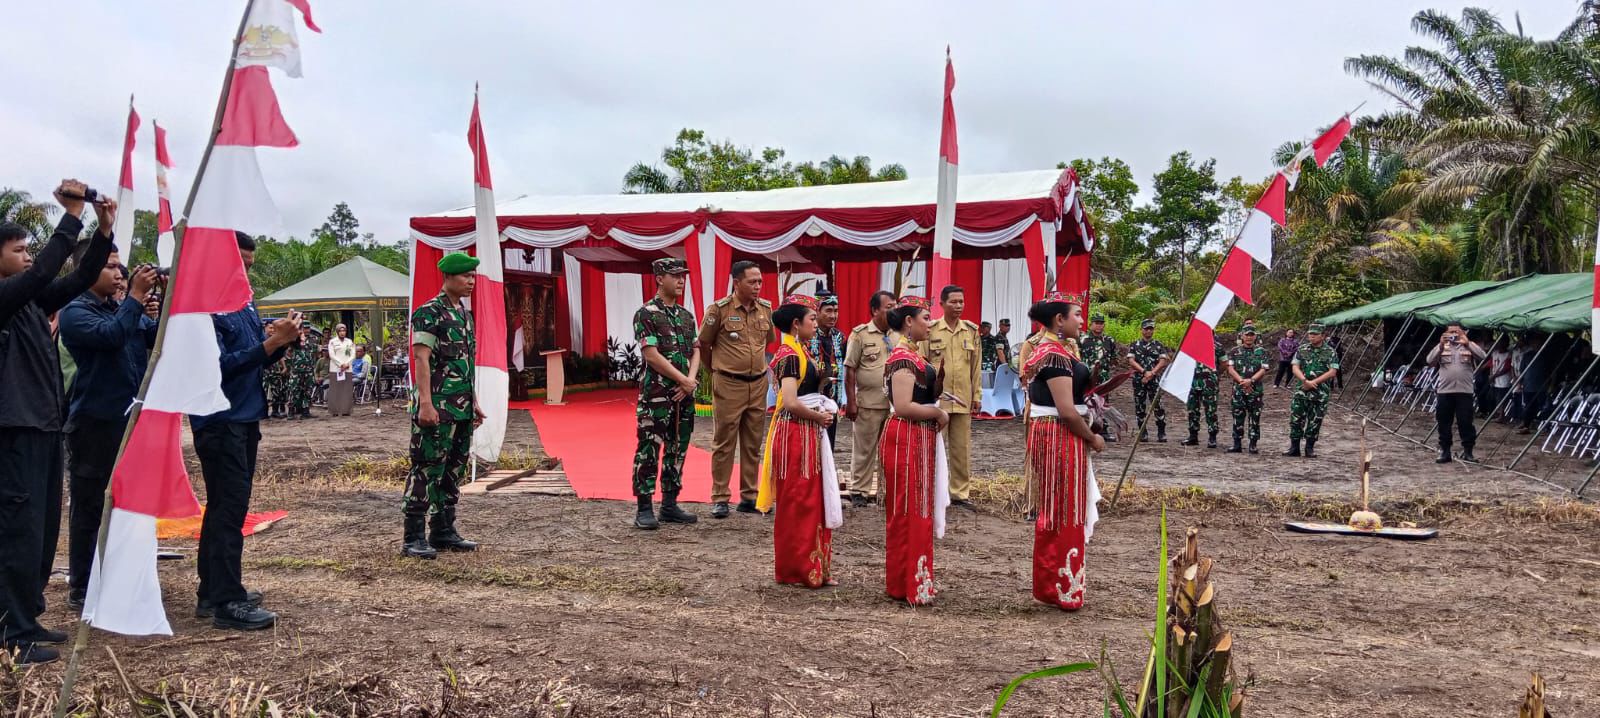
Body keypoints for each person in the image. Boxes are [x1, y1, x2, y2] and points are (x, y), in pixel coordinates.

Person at [0, 183, 116, 665]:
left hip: (44, 425)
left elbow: (74, 280)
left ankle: (27, 614)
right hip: (14, 431)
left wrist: (103, 230)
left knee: (43, 528)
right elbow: (45, 272)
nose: (29, 257)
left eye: (30, 249)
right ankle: (12, 631)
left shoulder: (29, 302)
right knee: (17, 529)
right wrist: (70, 218)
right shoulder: (6, 298)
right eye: (19, 249)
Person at [191, 232, 301, 630]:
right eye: (239, 263)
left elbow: (256, 360)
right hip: (219, 420)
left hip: (245, 416)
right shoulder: (200, 306)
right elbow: (216, 366)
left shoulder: (243, 303)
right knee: (227, 509)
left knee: (227, 508)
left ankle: (213, 590)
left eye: (250, 266)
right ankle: (226, 600)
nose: (245, 272)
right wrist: (271, 345)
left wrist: (282, 342)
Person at [59, 252, 161, 610]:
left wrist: (157, 299)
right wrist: (133, 298)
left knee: (125, 503)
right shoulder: (75, 312)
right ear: (85, 269)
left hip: (128, 421)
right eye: (109, 266)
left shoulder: (118, 308)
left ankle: (117, 574)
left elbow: (154, 337)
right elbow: (113, 337)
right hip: (95, 423)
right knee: (90, 505)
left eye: (120, 267)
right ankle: (83, 585)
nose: (119, 274)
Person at [1021, 292, 1105, 611]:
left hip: (1055, 433)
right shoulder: (1054, 355)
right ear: (1059, 320)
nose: (1082, 321)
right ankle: (1063, 588)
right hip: (1058, 434)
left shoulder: (1054, 349)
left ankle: (1050, 585)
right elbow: (1067, 411)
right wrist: (1092, 437)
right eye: (1077, 315)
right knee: (1065, 509)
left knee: (1056, 508)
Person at [404, 253, 486, 559]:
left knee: (453, 469)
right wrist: (425, 403)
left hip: (460, 407)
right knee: (427, 467)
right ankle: (413, 535)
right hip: (436, 406)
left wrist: (473, 401)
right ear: (448, 277)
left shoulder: (464, 315)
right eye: (466, 277)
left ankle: (443, 530)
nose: (471, 282)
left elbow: (465, 363)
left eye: (474, 277)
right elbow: (421, 358)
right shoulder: (429, 312)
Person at [757, 294, 841, 589]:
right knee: (798, 501)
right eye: (812, 319)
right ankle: (796, 569)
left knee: (812, 499)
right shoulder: (790, 355)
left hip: (806, 432)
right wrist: (817, 417)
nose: (816, 324)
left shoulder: (800, 350)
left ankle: (814, 567)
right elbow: (790, 402)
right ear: (796, 324)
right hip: (796, 432)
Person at [880, 296, 948, 605]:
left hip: (916, 437)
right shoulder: (902, 359)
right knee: (908, 509)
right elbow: (905, 406)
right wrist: (937, 413)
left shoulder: (913, 356)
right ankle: (907, 583)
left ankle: (908, 582)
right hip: (906, 436)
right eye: (925, 317)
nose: (930, 323)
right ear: (909, 322)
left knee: (915, 507)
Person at [698, 261, 774, 518]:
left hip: (758, 383)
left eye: (760, 281)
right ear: (736, 282)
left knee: (753, 443)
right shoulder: (719, 310)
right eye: (752, 282)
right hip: (729, 383)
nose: (758, 287)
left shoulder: (765, 309)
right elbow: (704, 344)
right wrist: (717, 372)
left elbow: (768, 342)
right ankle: (720, 497)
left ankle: (749, 496)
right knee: (724, 442)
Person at [630, 258, 701, 530]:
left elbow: (696, 350)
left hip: (684, 394)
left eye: (683, 275)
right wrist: (683, 379)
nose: (681, 280)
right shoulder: (646, 313)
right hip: (657, 394)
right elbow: (651, 355)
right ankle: (644, 507)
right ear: (660, 278)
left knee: (677, 448)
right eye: (675, 276)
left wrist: (690, 381)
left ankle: (669, 504)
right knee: (649, 448)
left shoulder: (686, 316)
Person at [923, 285, 980, 510]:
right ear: (942, 304)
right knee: (934, 446)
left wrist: (977, 394)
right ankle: (932, 491)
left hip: (963, 398)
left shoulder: (971, 331)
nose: (958, 306)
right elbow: (923, 364)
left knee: (962, 449)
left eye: (961, 302)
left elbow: (975, 367)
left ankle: (959, 494)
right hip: (938, 401)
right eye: (953, 302)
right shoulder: (931, 330)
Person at [844, 290, 896, 506]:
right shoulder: (860, 334)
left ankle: (885, 492)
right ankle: (859, 491)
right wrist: (851, 401)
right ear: (875, 310)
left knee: (890, 452)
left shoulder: (898, 334)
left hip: (894, 405)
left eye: (895, 306)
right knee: (864, 450)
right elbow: (850, 370)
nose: (894, 310)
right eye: (889, 307)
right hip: (868, 403)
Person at [1427, 323, 1486, 463]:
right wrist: (1441, 345)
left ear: (1463, 331)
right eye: (1451, 331)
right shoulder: (1442, 346)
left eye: (1456, 331)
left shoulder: (1468, 344)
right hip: (1445, 391)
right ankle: (1445, 452)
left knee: (1466, 422)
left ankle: (1468, 452)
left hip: (1464, 391)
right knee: (1444, 422)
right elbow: (1429, 361)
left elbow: (1483, 356)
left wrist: (1467, 343)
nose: (1453, 334)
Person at [1285, 323, 1340, 458]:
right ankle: (1294, 447)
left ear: (1323, 336)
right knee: (1296, 419)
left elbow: (1332, 372)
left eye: (1315, 334)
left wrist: (1314, 382)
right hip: (1302, 391)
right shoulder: (1302, 349)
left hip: (1319, 393)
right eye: (1310, 334)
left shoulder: (1330, 352)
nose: (1312, 336)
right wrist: (1305, 381)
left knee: (1315, 420)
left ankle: (1309, 448)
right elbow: (1295, 367)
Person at [1224, 323, 1272, 454]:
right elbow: (1230, 368)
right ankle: (1237, 444)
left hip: (1255, 389)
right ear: (1242, 336)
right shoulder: (1234, 351)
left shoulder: (1262, 352)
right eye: (1247, 335)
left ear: (1255, 336)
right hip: (1239, 389)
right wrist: (1241, 381)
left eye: (1252, 335)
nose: (1249, 337)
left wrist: (1251, 381)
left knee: (1254, 417)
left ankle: (1253, 444)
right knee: (1237, 416)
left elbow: (1264, 369)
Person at [809, 291, 846, 447]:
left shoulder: (840, 337)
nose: (833, 315)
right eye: (828, 311)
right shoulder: (808, 336)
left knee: (828, 445)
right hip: (810, 400)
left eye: (835, 311)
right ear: (817, 311)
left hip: (832, 399)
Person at [1126, 319, 1170, 442]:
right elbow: (1131, 361)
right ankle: (1142, 432)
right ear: (1142, 330)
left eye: (1151, 329)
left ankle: (1161, 432)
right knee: (1140, 406)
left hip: (1155, 380)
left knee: (1158, 405)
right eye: (1146, 329)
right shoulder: (1135, 345)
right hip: (1139, 380)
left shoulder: (1158, 345)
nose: (1148, 331)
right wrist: (1144, 372)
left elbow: (1163, 361)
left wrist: (1152, 373)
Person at [1182, 338, 1223, 448]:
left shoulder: (1217, 346)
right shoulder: (1191, 345)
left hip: (1209, 383)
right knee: (1192, 410)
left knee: (1210, 411)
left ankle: (1212, 437)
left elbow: (1223, 362)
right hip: (1193, 382)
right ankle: (1193, 436)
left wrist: (1215, 375)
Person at [287, 325, 318, 419]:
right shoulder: (294, 340)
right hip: (297, 370)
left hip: (308, 370)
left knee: (307, 390)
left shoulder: (313, 339)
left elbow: (315, 353)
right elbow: (288, 352)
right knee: (294, 390)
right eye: (304, 328)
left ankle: (305, 411)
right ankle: (291, 412)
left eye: (308, 328)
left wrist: (313, 366)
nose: (306, 330)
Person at [325, 323, 356, 416]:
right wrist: (341, 364)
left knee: (346, 389)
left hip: (347, 368)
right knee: (336, 389)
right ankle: (334, 410)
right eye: (340, 331)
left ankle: (346, 410)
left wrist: (347, 364)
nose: (342, 333)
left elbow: (353, 354)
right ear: (337, 332)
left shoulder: (349, 341)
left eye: (344, 331)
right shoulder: (332, 342)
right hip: (336, 369)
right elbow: (332, 355)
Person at [1488, 342, 1514, 421]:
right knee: (1493, 397)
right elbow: (1491, 365)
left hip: (1503, 380)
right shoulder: (1494, 353)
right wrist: (1491, 375)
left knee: (1501, 398)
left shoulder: (1508, 355)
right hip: (1495, 379)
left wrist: (1494, 376)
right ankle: (1496, 413)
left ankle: (1501, 415)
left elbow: (1506, 368)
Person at [265, 340, 291, 418]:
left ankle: (275, 411)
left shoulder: (277, 342)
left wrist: (284, 367)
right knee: (263, 390)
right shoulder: (262, 340)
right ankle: (263, 412)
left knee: (276, 391)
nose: (272, 330)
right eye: (270, 328)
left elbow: (280, 357)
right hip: (265, 370)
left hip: (275, 370)